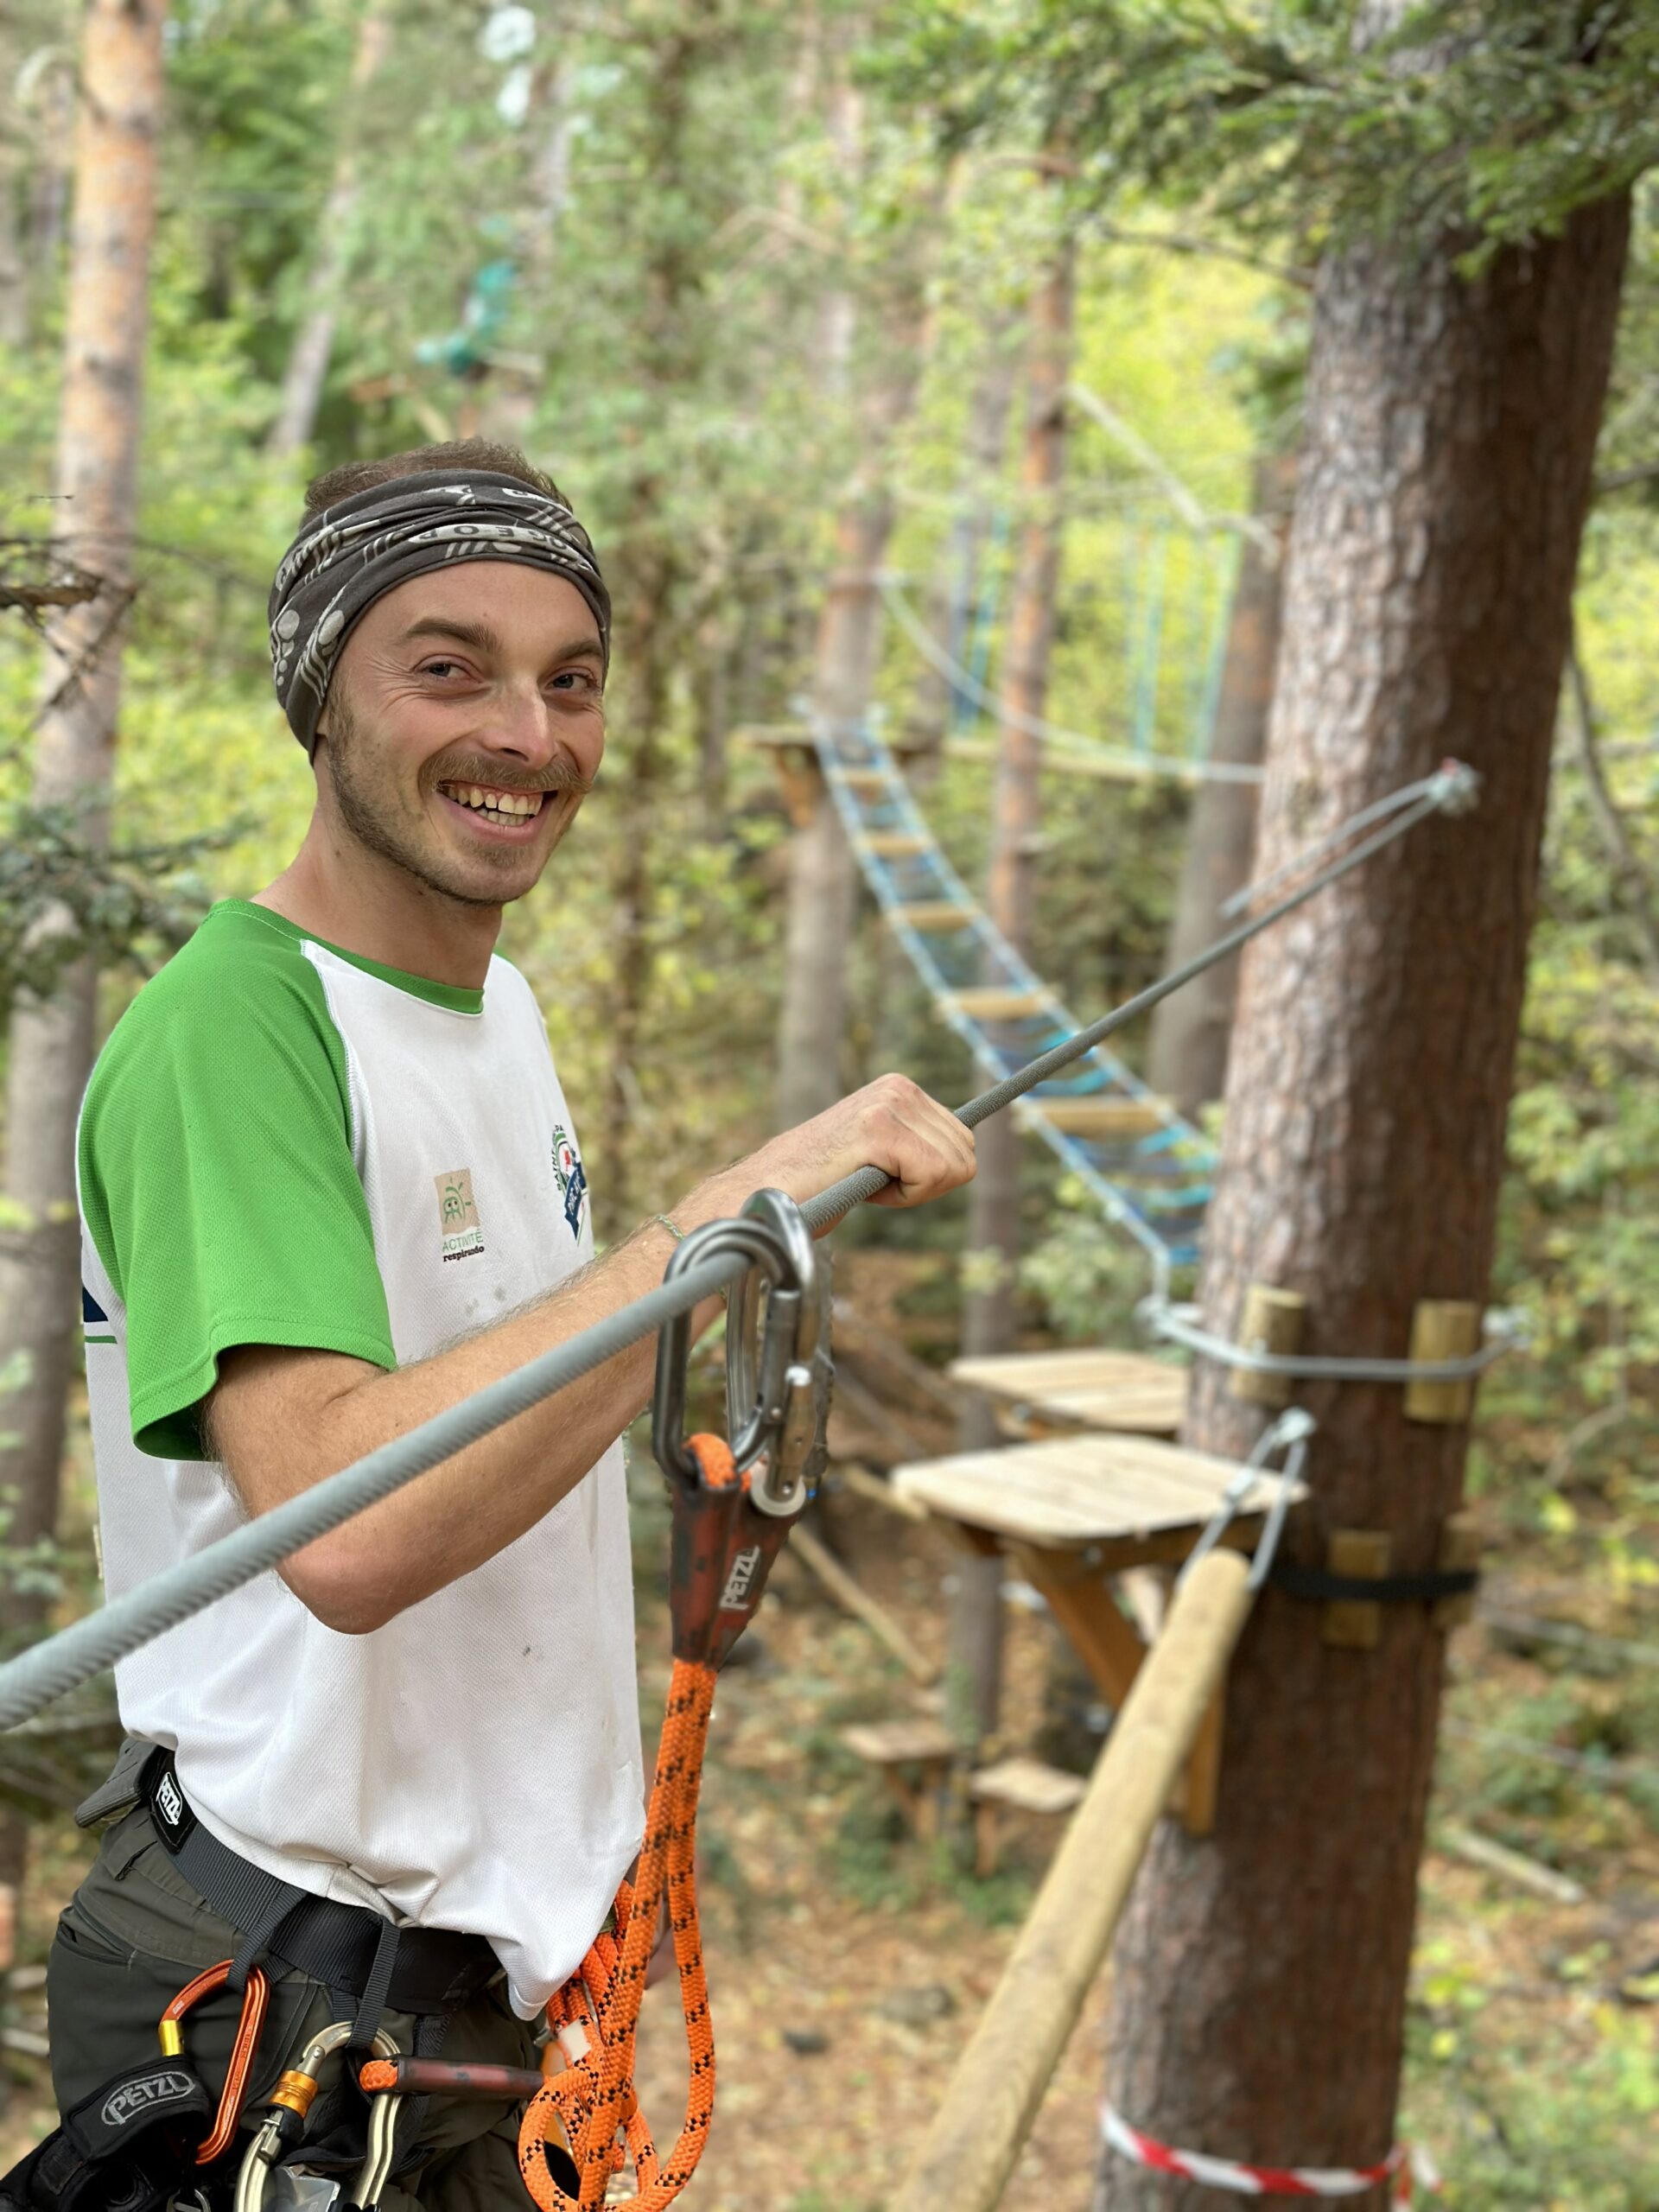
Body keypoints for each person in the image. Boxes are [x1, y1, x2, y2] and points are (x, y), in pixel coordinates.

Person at [50, 441, 974, 2210]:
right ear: (324, 695)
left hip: (473, 1979)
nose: (530, 737)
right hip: (285, 2008)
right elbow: (353, 1520)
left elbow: (512, 1415)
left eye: (571, 681)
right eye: (450, 667)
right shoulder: (234, 1034)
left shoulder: (498, 1003)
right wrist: (715, 1219)